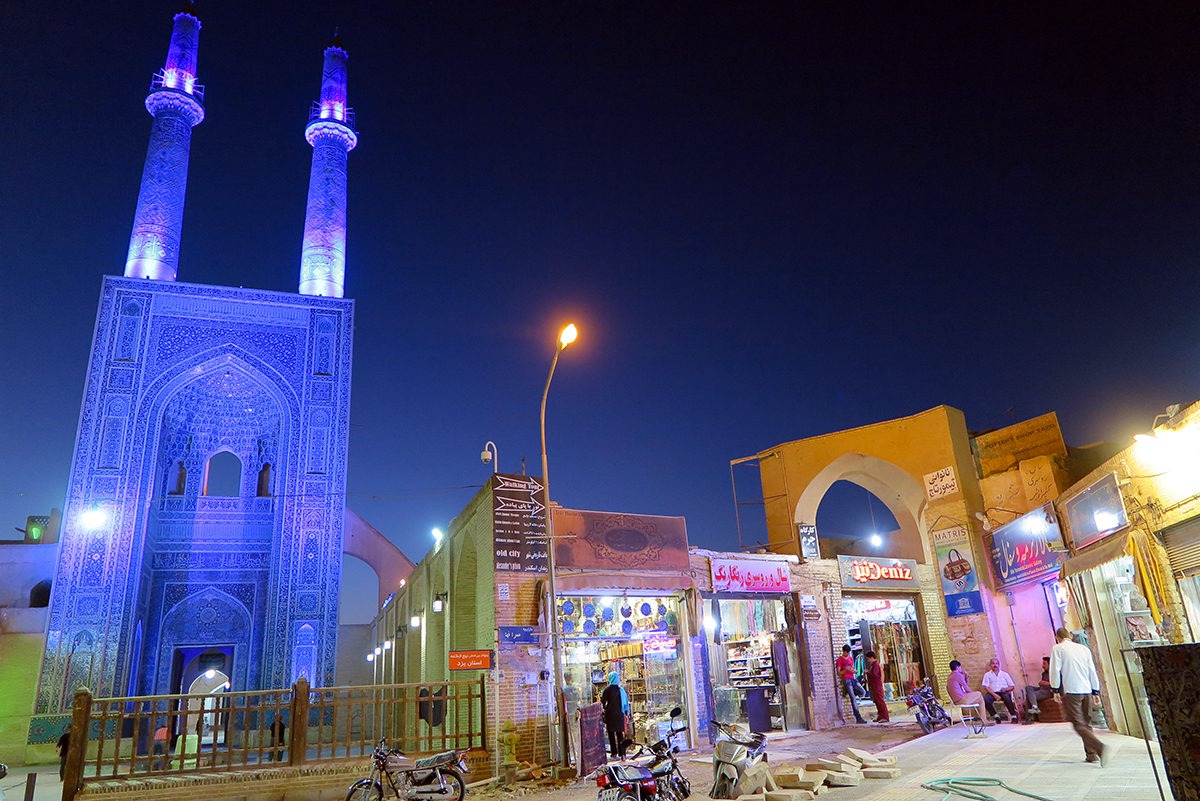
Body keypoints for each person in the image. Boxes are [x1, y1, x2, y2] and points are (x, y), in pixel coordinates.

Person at [1049, 627, 1106, 765]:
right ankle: (1091, 755)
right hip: (1086, 689)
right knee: (1086, 723)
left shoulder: (1058, 648)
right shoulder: (1084, 649)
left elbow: (1055, 670)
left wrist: (1055, 689)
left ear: (1057, 637)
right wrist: (1095, 691)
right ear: (1070, 635)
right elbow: (1092, 670)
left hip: (1072, 690)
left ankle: (1099, 748)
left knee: (1078, 724)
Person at [600, 672, 630, 759]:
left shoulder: (607, 690)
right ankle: (623, 754)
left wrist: (605, 708)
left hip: (610, 714)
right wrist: (626, 713)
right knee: (620, 734)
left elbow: (602, 702)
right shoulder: (621, 690)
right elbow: (625, 704)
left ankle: (614, 753)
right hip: (619, 714)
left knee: (611, 734)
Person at [981, 658, 1018, 723]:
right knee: (986, 699)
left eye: (996, 663)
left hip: (1003, 692)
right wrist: (995, 695)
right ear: (990, 665)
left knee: (1007, 697)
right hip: (993, 692)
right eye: (993, 663)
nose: (995, 665)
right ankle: (996, 716)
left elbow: (1012, 686)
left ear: (999, 665)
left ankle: (1013, 716)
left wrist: (1005, 689)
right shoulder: (987, 675)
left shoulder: (1005, 674)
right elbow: (986, 686)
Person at [835, 645, 866, 724]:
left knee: (863, 692)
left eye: (848, 652)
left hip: (852, 678)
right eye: (845, 652)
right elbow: (839, 673)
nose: (847, 654)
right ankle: (858, 717)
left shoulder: (850, 658)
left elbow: (852, 669)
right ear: (843, 651)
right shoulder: (839, 660)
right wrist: (845, 671)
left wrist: (853, 671)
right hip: (846, 679)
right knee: (853, 699)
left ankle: (849, 691)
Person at [1022, 656, 1053, 723]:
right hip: (1041, 689)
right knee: (1028, 688)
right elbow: (1041, 683)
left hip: (1049, 691)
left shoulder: (1054, 673)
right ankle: (1035, 706)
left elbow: (1056, 685)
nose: (1042, 666)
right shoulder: (1044, 673)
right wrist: (1042, 683)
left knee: (1029, 696)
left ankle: (1029, 718)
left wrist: (1045, 683)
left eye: (1044, 664)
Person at [864, 650, 889, 723]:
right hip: (875, 686)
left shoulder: (876, 665)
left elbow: (875, 675)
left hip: (877, 686)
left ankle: (885, 717)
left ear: (872, 658)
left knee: (880, 701)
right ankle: (880, 716)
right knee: (877, 702)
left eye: (868, 659)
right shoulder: (874, 665)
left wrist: (868, 672)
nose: (868, 661)